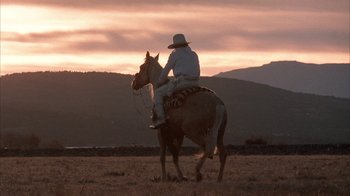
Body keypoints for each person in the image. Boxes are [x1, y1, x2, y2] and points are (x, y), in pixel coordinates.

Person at [150, 33, 201, 129]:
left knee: (158, 93)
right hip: (195, 82)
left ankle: (161, 118)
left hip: (182, 83)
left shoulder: (174, 55)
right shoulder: (194, 54)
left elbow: (166, 70)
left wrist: (160, 81)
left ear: (175, 46)